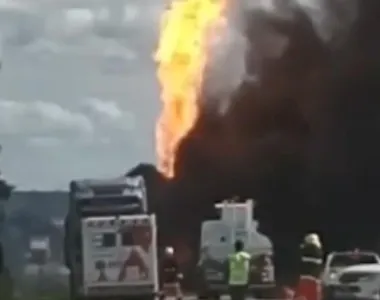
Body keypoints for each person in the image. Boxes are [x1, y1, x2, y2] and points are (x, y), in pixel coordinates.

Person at [295, 233, 323, 300]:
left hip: (304, 279)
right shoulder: (318, 251)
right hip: (314, 279)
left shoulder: (303, 250)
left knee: (302, 296)